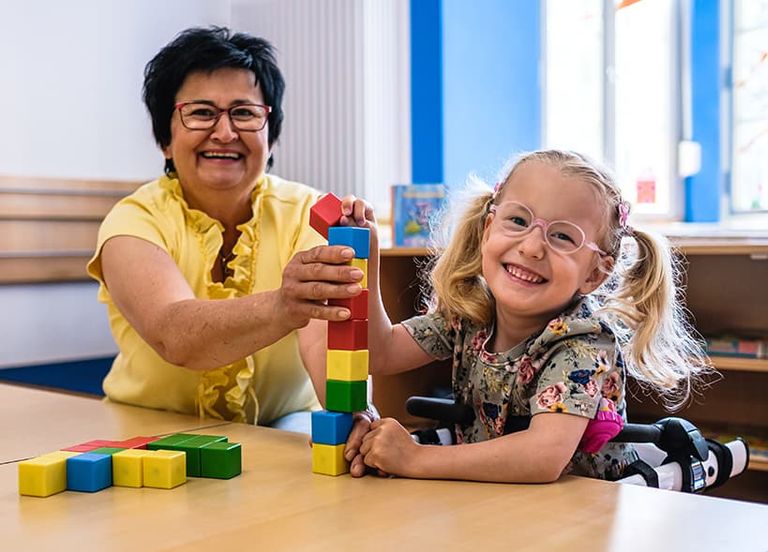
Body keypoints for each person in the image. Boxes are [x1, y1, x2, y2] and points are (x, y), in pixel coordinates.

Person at [344, 149, 712, 481]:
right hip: (498, 507)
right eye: (518, 221)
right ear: (488, 229)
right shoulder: (470, 314)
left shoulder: (582, 342)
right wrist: (366, 261)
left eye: (563, 237)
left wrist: (415, 459)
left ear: (595, 273)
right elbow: (379, 353)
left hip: (580, 517)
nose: (532, 247)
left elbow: (541, 456)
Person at [87, 27, 369, 433]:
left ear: (271, 136)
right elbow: (174, 335)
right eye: (201, 112)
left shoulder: (313, 212)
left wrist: (355, 417)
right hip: (148, 428)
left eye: (244, 113)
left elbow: (328, 336)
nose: (224, 132)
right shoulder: (132, 220)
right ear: (166, 138)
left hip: (282, 425)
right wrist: (282, 306)